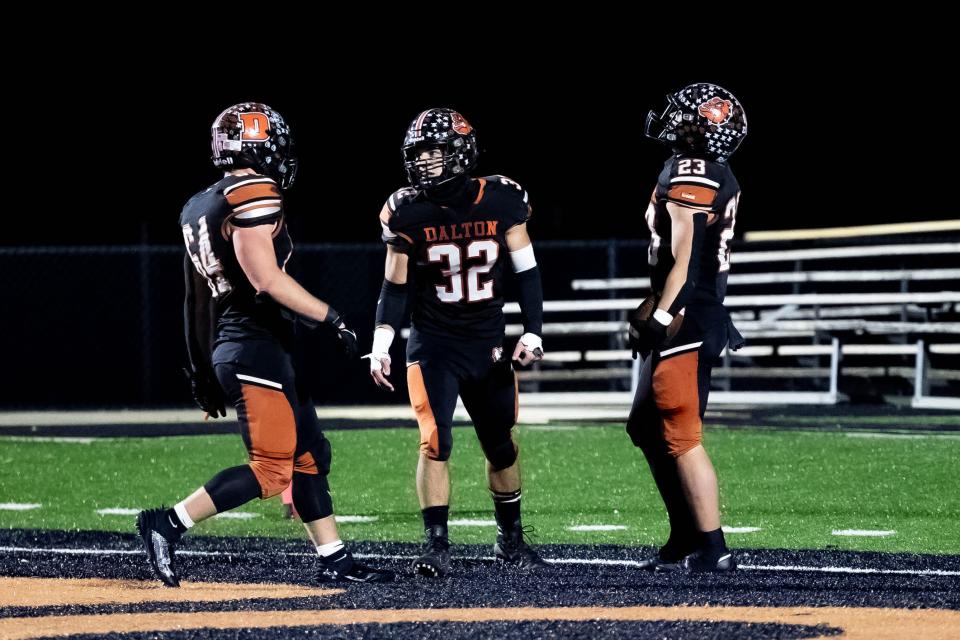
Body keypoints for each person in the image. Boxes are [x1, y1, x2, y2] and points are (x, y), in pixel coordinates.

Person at [136, 102, 392, 586]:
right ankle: (166, 524)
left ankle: (335, 560)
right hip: (254, 343)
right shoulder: (252, 191)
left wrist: (200, 370)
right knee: (274, 471)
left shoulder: (197, 205)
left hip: (243, 343)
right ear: (260, 146)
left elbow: (195, 298)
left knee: (310, 454)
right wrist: (332, 317)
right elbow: (267, 279)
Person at [365, 108, 547, 577]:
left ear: (461, 153)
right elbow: (394, 286)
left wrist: (532, 329)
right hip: (434, 345)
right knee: (435, 442)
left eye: (433, 154)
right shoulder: (406, 210)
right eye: (418, 155)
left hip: (487, 343)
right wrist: (383, 341)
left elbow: (526, 270)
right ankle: (436, 546)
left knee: (500, 444)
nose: (423, 164)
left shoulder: (502, 198)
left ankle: (510, 540)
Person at [627, 83, 747, 572]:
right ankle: (684, 534)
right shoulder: (709, 171)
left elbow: (686, 261)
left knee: (682, 433)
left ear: (706, 135)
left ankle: (713, 548)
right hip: (691, 306)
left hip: (688, 312)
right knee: (643, 426)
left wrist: (659, 316)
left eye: (687, 119)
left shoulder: (690, 173)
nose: (675, 123)